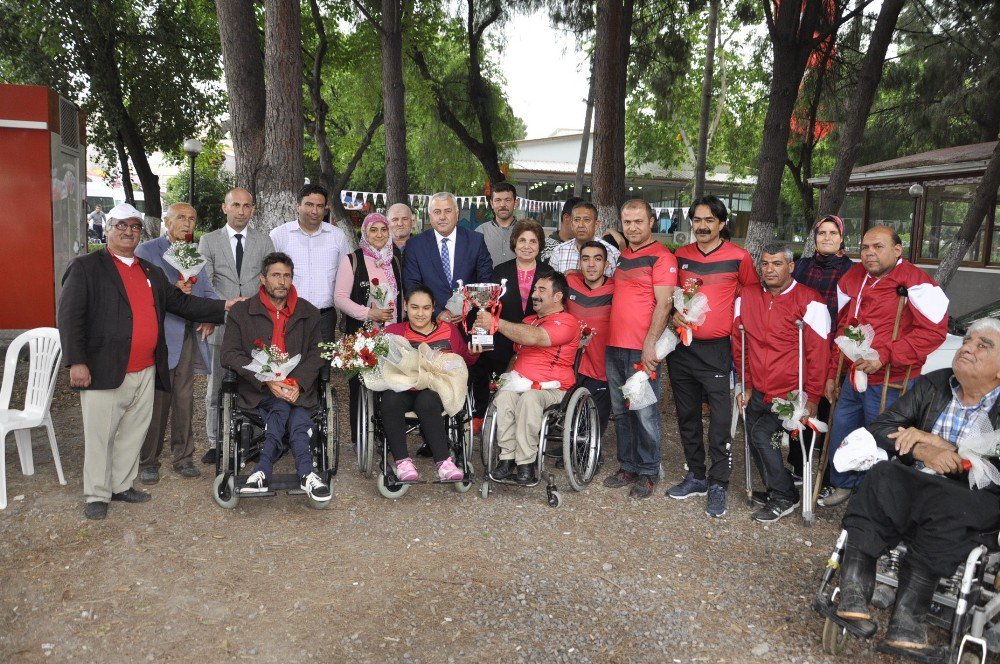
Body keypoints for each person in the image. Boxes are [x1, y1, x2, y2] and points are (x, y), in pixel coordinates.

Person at [833, 318, 1000, 654]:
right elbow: (881, 427)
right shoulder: (936, 384)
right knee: (880, 474)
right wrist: (922, 449)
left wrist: (942, 445)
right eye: (968, 340)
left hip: (973, 495)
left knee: (949, 502)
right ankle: (854, 585)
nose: (968, 346)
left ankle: (909, 615)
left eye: (984, 345)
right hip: (918, 482)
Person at [57, 203, 232, 521]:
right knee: (101, 434)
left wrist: (225, 306)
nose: (128, 231)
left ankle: (121, 485)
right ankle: (97, 493)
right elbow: (69, 318)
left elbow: (181, 301)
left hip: (146, 366)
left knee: (133, 431)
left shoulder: (147, 270)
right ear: (107, 228)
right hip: (104, 367)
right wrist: (76, 362)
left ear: (141, 231)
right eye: (120, 225)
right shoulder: (86, 266)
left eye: (134, 226)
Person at [819, 226, 949, 507]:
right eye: (865, 247)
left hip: (892, 379)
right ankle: (843, 484)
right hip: (854, 376)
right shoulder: (853, 276)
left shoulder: (916, 281)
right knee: (843, 428)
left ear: (897, 249)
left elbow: (934, 332)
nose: (869, 253)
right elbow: (842, 328)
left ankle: (872, 497)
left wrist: (887, 354)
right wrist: (832, 374)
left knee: (879, 437)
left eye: (878, 247)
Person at [666, 194, 758, 517]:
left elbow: (751, 299)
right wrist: (672, 316)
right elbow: (670, 297)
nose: (702, 226)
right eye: (697, 220)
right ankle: (696, 475)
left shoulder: (739, 257)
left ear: (721, 224)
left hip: (719, 351)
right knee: (687, 414)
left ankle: (719, 482)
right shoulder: (680, 256)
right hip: (682, 347)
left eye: (709, 220)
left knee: (720, 420)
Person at [220, 252, 331, 503]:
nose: (282, 281)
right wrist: (266, 380)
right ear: (263, 278)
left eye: (287, 276)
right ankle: (308, 474)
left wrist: (297, 382)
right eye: (276, 275)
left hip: (298, 389)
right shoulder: (241, 312)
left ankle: (262, 470)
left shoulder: (308, 312)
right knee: (288, 409)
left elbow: (317, 354)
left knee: (288, 406)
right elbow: (229, 354)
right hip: (258, 389)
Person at [732, 243, 831, 523]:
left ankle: (784, 496)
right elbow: (739, 343)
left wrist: (812, 396)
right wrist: (746, 384)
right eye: (764, 264)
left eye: (776, 263)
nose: (769, 269)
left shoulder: (810, 300)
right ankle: (780, 486)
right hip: (758, 387)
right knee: (756, 439)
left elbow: (819, 352)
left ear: (790, 266)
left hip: (790, 392)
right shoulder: (747, 295)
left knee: (763, 437)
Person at [134, 203, 218, 484]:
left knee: (184, 400)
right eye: (181, 218)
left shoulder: (194, 254)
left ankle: (184, 457)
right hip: (158, 338)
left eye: (192, 219)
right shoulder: (146, 251)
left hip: (187, 335)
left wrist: (211, 316)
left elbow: (206, 291)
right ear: (166, 222)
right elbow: (139, 295)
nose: (187, 223)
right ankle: (148, 460)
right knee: (158, 400)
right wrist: (173, 291)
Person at [602, 199, 678, 500]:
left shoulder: (661, 257)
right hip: (614, 347)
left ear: (651, 222)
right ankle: (629, 466)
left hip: (640, 350)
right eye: (627, 221)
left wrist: (650, 346)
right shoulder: (622, 257)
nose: (633, 227)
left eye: (638, 221)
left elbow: (665, 303)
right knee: (622, 412)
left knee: (644, 413)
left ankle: (648, 471)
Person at [477, 273, 581, 485]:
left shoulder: (568, 322)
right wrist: (504, 379)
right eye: (535, 290)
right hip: (521, 383)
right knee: (504, 397)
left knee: (530, 399)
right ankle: (507, 458)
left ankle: (526, 463)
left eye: (542, 290)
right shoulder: (528, 321)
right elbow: (516, 355)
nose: (535, 294)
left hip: (552, 388)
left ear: (557, 296)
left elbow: (535, 337)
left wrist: (495, 321)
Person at [198, 187, 275, 465]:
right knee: (217, 385)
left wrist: (254, 305)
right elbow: (204, 281)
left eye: (246, 206)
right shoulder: (208, 241)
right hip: (221, 324)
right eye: (236, 205)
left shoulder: (264, 241)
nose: (241, 211)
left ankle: (254, 439)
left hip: (256, 326)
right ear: (224, 207)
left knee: (256, 382)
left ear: (252, 209)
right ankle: (216, 442)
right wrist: (227, 302)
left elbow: (270, 279)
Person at [380, 286, 477, 482]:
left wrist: (474, 351)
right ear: (405, 307)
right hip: (405, 389)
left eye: (426, 308)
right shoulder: (393, 332)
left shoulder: (449, 331)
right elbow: (382, 366)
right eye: (415, 307)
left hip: (436, 389)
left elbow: (464, 361)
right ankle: (403, 462)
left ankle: (444, 463)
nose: (420, 313)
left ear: (433, 308)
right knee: (389, 399)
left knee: (427, 400)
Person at [786, 214, 854, 481]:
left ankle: (825, 475)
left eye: (832, 233)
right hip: (799, 346)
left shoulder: (851, 271)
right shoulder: (801, 267)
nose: (827, 237)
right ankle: (797, 466)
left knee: (826, 410)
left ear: (841, 239)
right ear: (814, 238)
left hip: (834, 347)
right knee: (798, 405)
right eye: (822, 233)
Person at [469, 219, 554, 422]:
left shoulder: (549, 274)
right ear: (514, 243)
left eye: (533, 241)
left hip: (535, 341)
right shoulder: (499, 271)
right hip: (502, 340)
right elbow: (486, 306)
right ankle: (482, 415)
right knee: (484, 367)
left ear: (539, 245)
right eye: (522, 240)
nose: (527, 246)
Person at [334, 212, 403, 446]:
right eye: (373, 230)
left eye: (383, 229)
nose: (379, 235)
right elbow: (340, 298)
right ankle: (360, 438)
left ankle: (386, 435)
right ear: (364, 233)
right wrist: (368, 313)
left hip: (392, 334)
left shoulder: (395, 259)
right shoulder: (352, 259)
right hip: (361, 336)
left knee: (389, 385)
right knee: (360, 386)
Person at [269, 183, 350, 342]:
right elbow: (267, 275)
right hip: (288, 314)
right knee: (288, 364)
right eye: (309, 205)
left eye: (320, 206)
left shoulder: (337, 236)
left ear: (325, 208)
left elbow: (345, 276)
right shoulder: (280, 235)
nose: (315, 211)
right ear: (298, 205)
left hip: (325, 317)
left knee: (323, 365)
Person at [401, 191, 492, 321]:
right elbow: (412, 285)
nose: (442, 217)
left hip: (470, 321)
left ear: (457, 214)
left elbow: (486, 280)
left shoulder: (475, 241)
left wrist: (468, 306)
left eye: (448, 211)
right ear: (430, 216)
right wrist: (436, 312)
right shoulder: (415, 245)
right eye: (437, 212)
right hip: (429, 323)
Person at [565, 241, 615, 438]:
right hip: (571, 363)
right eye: (586, 259)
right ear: (579, 263)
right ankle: (569, 448)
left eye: (597, 259)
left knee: (595, 416)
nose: (591, 264)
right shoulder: (569, 283)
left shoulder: (617, 288)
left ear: (606, 264)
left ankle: (592, 454)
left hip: (601, 366)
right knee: (569, 411)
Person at [548, 201, 620, 276]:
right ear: (572, 224)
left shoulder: (612, 253)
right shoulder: (559, 251)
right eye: (576, 220)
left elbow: (618, 285)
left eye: (586, 220)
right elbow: (551, 284)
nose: (581, 225)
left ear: (596, 225)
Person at [477, 181, 518, 266]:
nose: (503, 205)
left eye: (507, 200)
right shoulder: (480, 232)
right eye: (498, 200)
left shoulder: (525, 230)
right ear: (491, 204)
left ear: (515, 203)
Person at [540, 197, 582, 263]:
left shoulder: (588, 248)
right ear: (566, 218)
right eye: (578, 219)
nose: (582, 225)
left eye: (586, 220)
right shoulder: (543, 246)